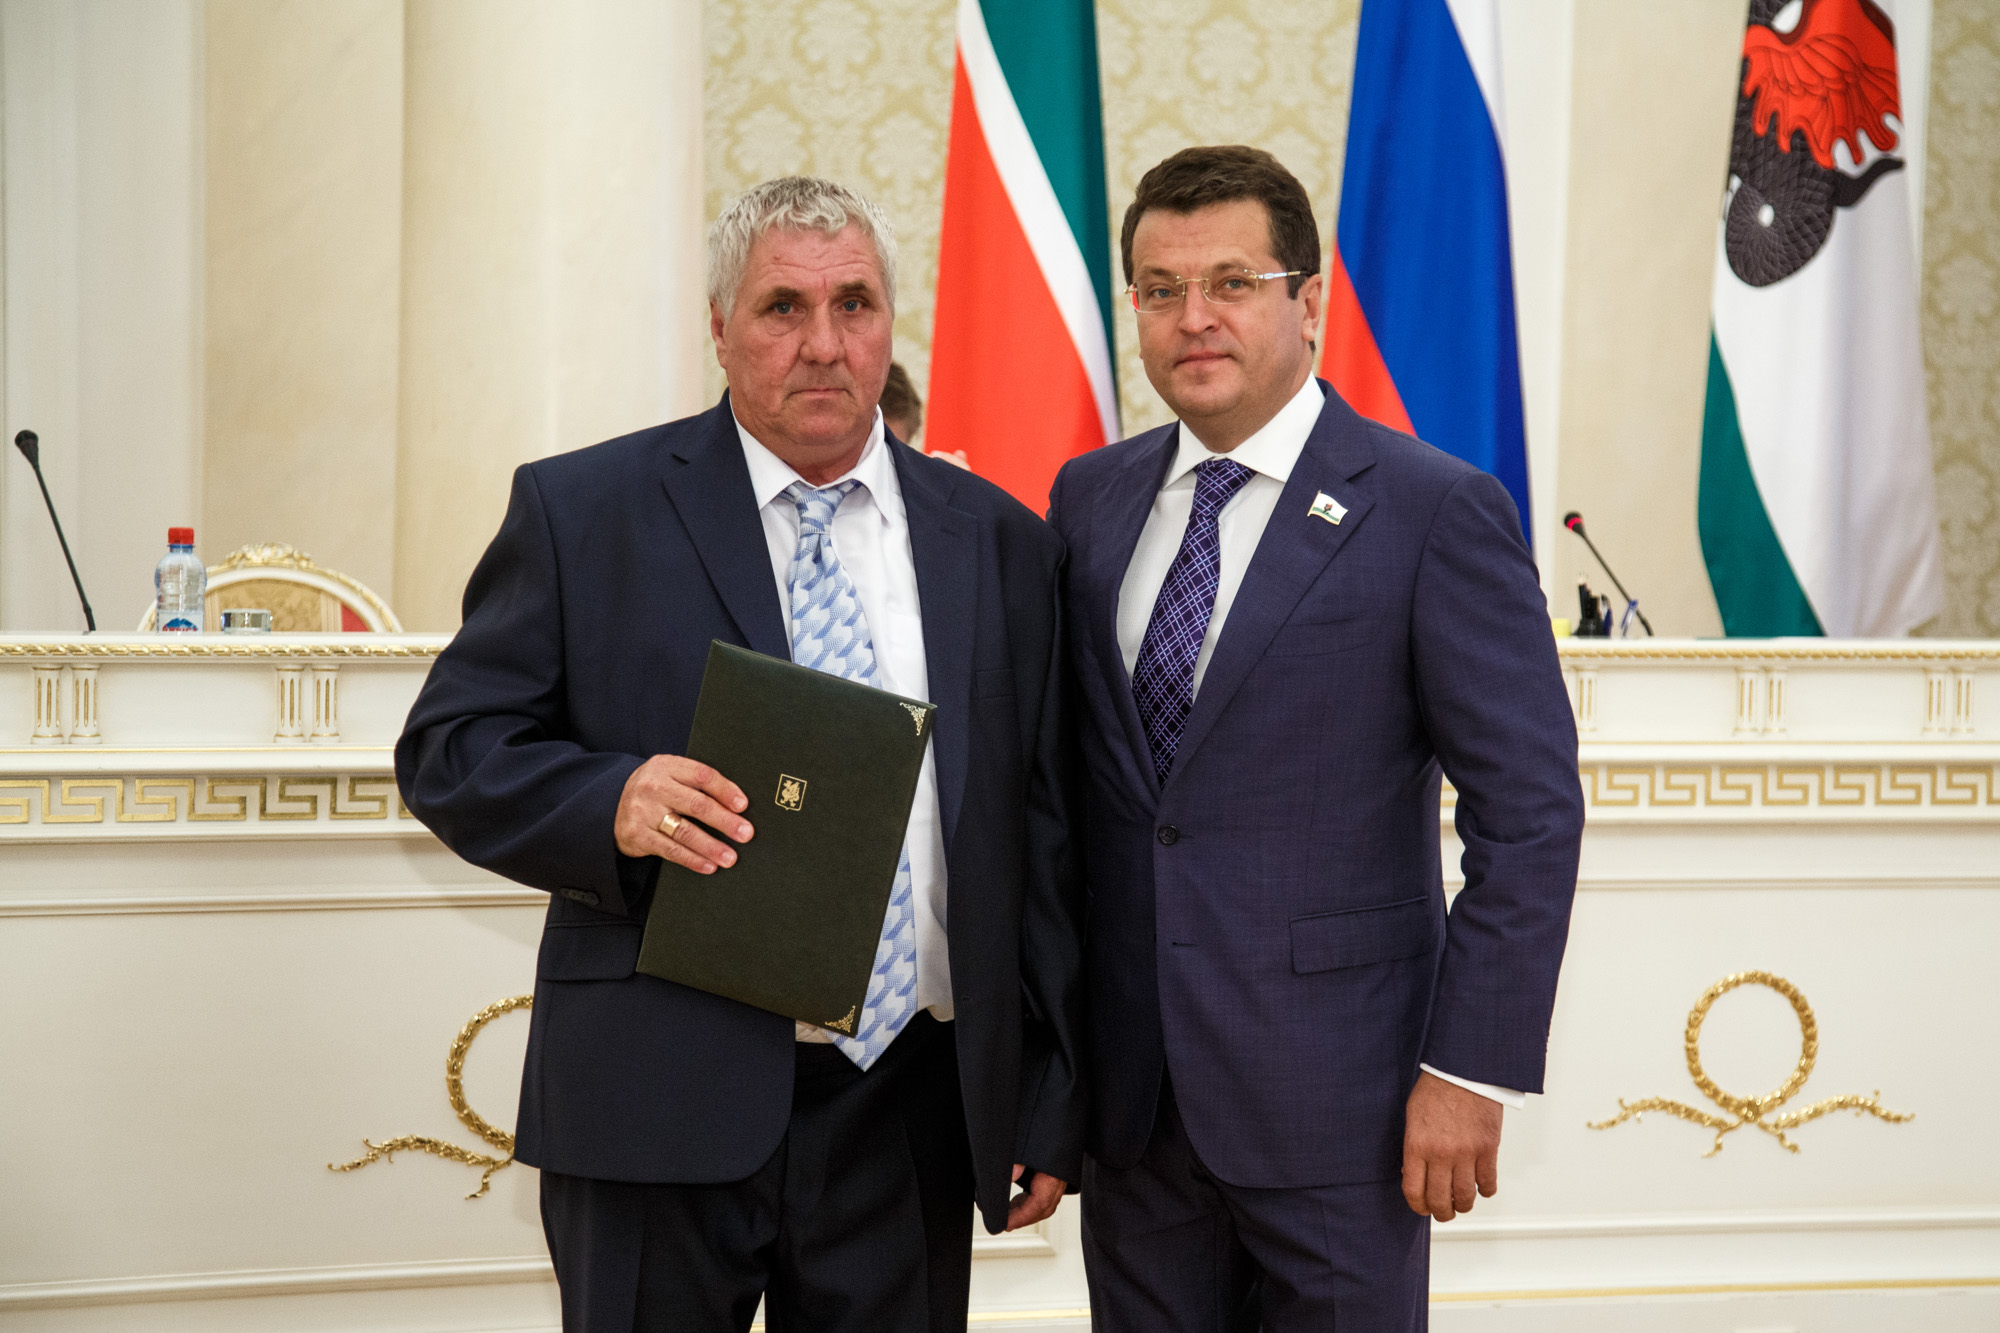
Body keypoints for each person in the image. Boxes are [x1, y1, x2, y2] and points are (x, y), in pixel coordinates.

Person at [397, 176, 1083, 1333]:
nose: (823, 344)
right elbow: (450, 749)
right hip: (655, 1093)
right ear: (719, 327)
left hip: (906, 1108)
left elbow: (1043, 832)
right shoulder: (584, 511)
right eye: (781, 308)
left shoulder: (1000, 540)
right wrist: (608, 798)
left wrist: (1048, 1092)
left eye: (853, 304)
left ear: (889, 322)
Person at [1047, 145, 1583, 1330]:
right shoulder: (1087, 499)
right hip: (1134, 1111)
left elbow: (1530, 816)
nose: (1193, 317)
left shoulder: (1432, 509)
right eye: (1159, 289)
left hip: (1346, 1106)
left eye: (1231, 283)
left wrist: (1467, 1068)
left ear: (1307, 302)